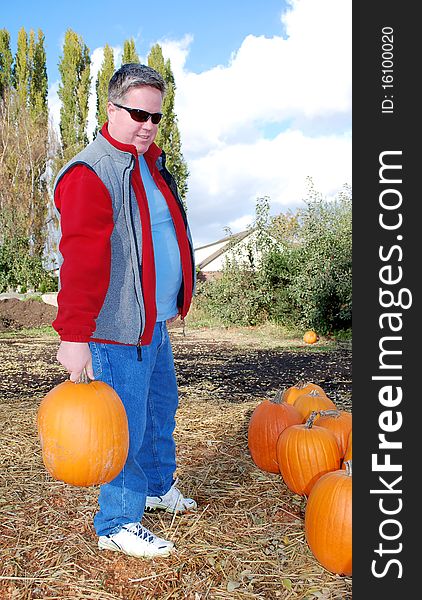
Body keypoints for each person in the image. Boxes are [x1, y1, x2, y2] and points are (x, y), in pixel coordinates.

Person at [52, 63, 197, 559]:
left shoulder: (150, 165)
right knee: (124, 426)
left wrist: (177, 296)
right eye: (138, 113)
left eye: (157, 117)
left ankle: (157, 488)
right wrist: (73, 337)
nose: (148, 125)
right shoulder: (92, 172)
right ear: (110, 109)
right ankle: (117, 520)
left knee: (160, 411)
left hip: (152, 323)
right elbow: (80, 260)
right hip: (116, 331)